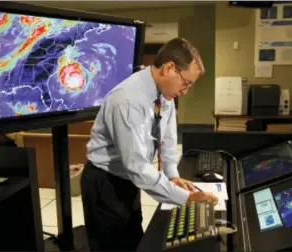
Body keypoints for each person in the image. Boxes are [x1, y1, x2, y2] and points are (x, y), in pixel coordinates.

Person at [80, 37, 219, 252]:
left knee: (134, 238)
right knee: (113, 245)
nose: (186, 90)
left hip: (128, 178)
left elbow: (169, 139)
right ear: (169, 68)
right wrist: (187, 199)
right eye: (186, 83)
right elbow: (137, 166)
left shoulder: (165, 95)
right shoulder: (127, 100)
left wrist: (173, 175)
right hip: (105, 181)